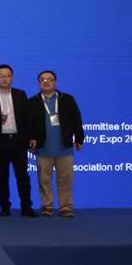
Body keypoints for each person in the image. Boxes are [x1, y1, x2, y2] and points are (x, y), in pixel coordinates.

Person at [28, 70, 84, 217]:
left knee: (65, 180)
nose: (46, 82)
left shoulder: (67, 99)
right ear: (39, 83)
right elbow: (28, 123)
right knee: (44, 180)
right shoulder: (32, 102)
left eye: (49, 79)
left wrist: (79, 139)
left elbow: (77, 119)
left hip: (64, 147)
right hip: (43, 148)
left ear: (55, 81)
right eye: (42, 79)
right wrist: (31, 138)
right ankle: (47, 207)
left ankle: (65, 208)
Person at [0, 64, 36, 217]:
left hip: (18, 140)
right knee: (2, 175)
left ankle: (26, 207)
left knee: (22, 175)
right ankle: (5, 207)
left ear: (12, 77)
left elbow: (28, 118)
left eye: (7, 75)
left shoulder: (21, 94)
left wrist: (32, 136)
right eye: (1, 76)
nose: (4, 79)